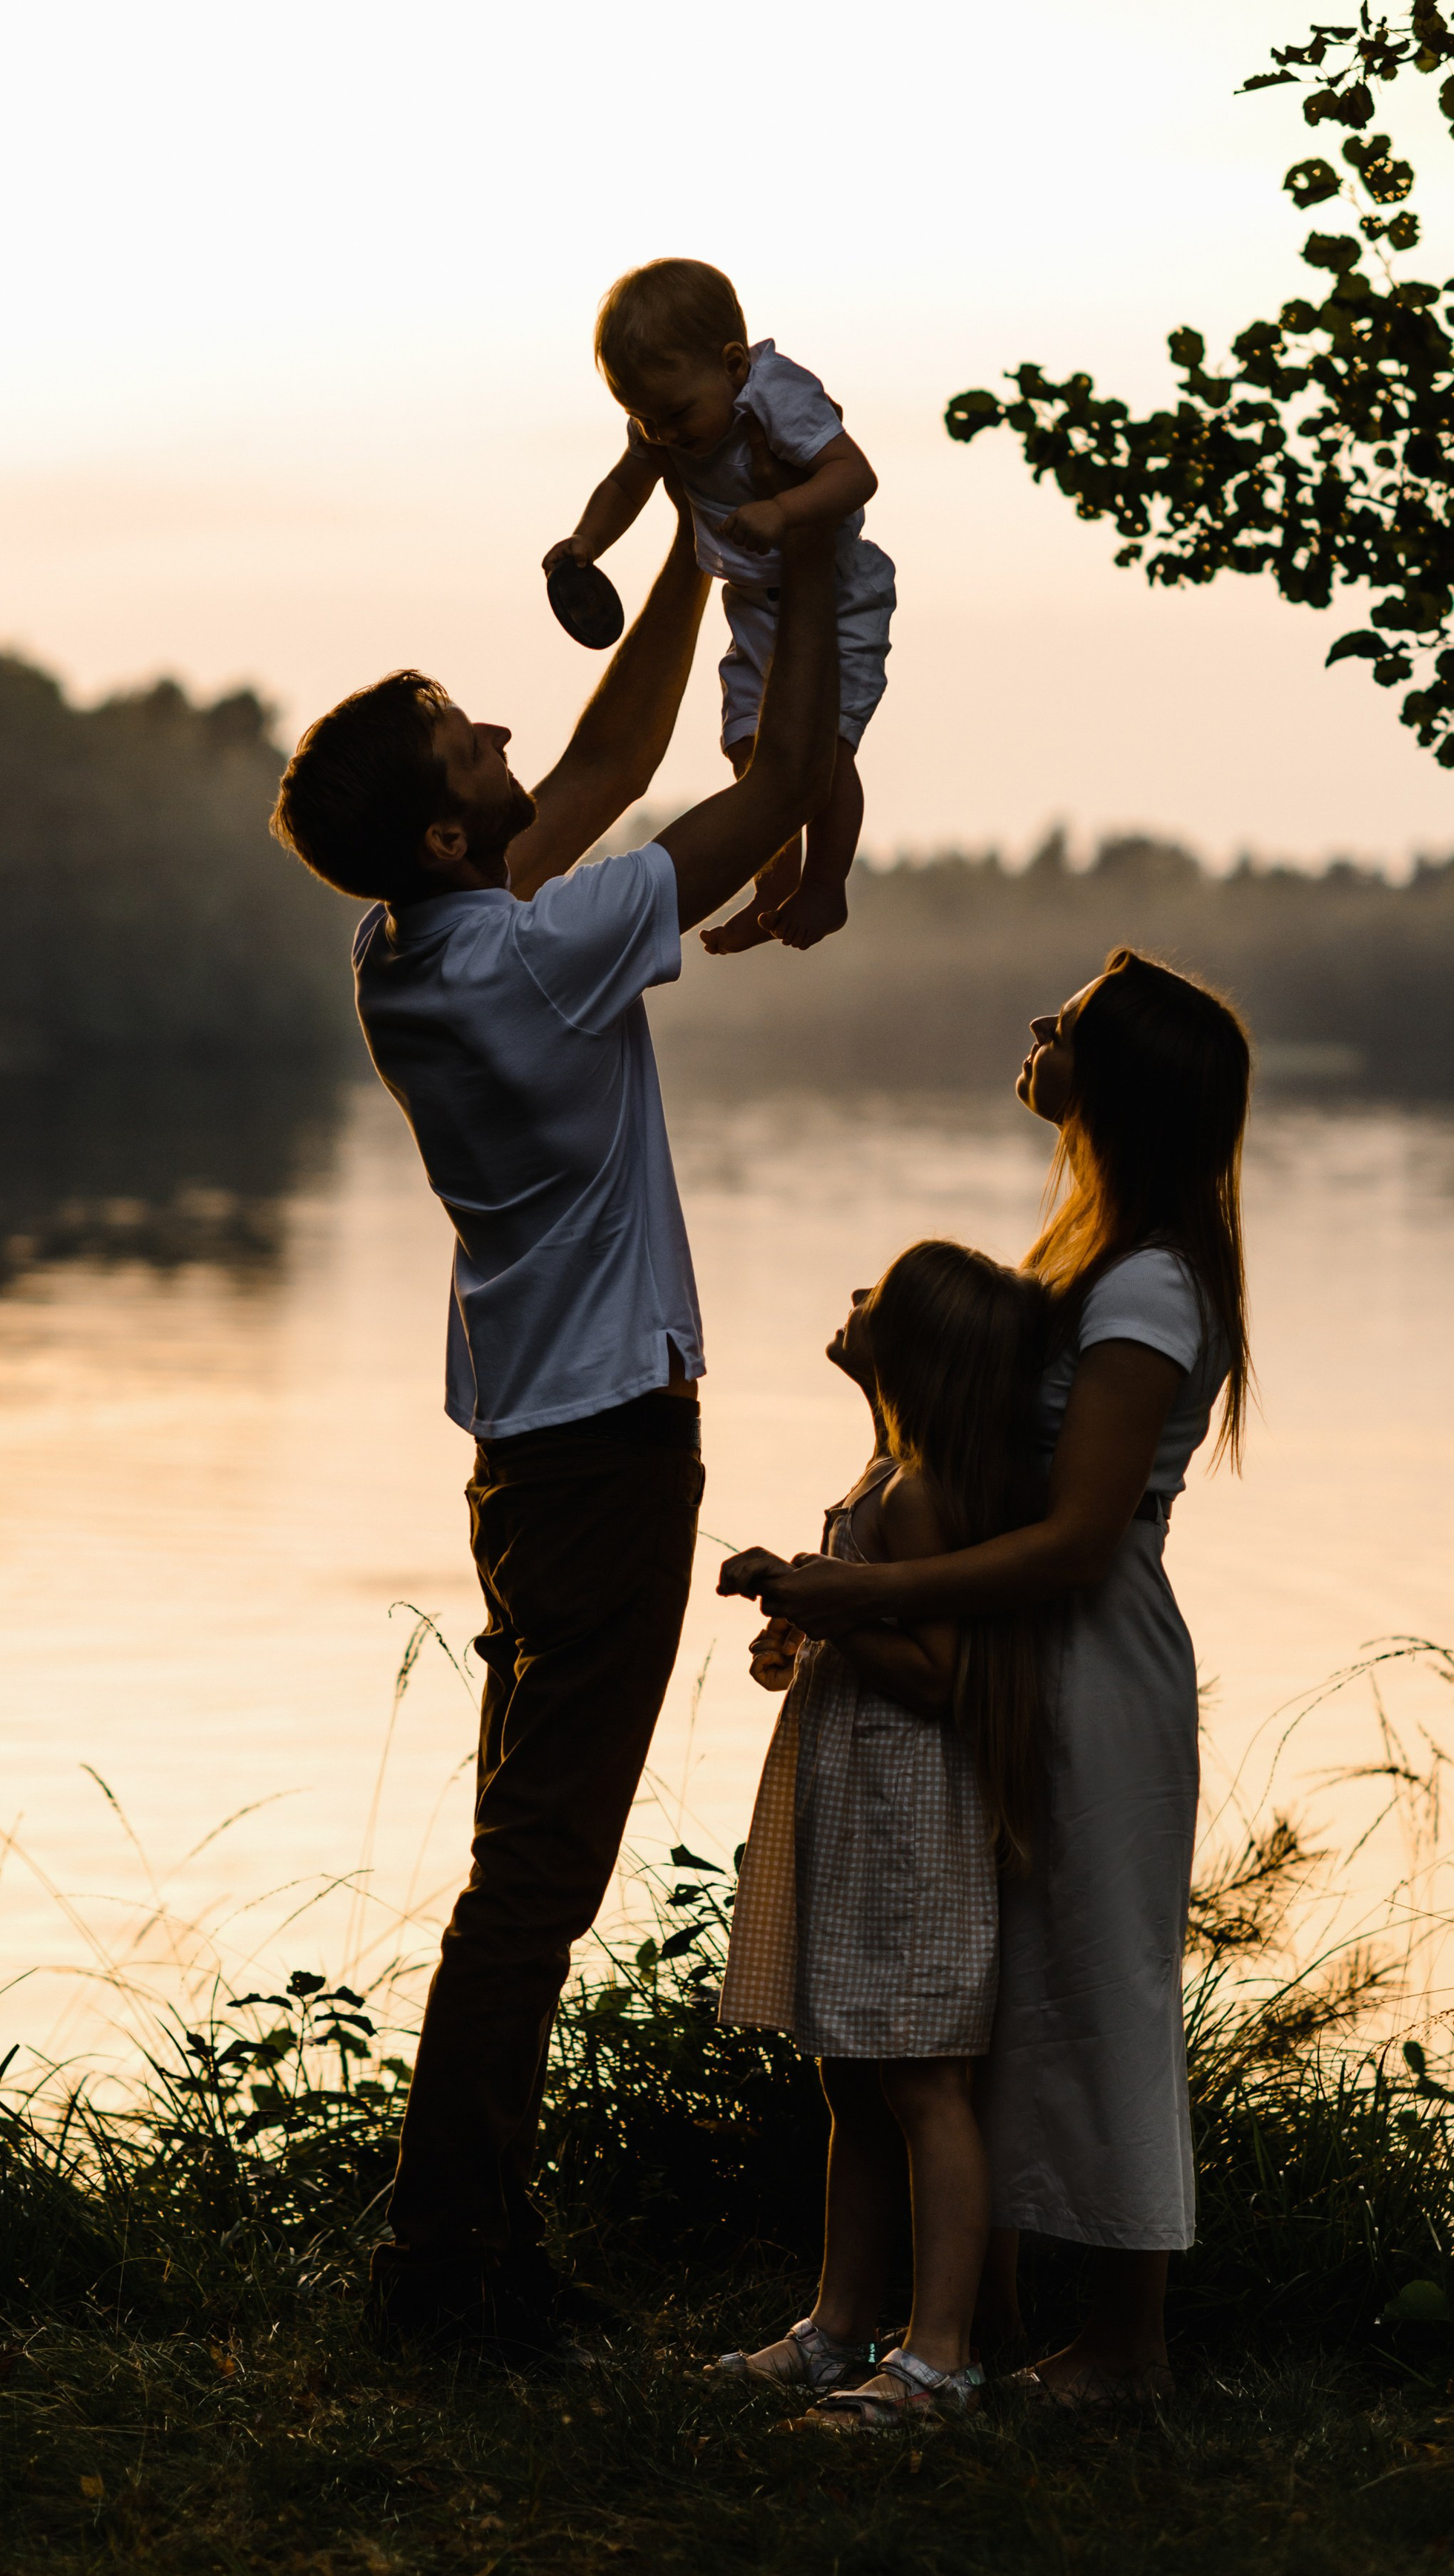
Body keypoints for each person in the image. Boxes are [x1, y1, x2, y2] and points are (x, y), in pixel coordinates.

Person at [268, 497, 845, 2361]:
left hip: (535, 1455)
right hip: (599, 1454)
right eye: (467, 738)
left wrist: (688, 540)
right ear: (449, 827)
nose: (507, 736)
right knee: (538, 1875)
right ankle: (446, 2270)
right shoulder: (530, 954)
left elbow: (605, 753)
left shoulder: (412, 944)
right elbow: (751, 797)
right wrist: (803, 571)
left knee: (520, 1862)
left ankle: (457, 2248)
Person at [718, 950, 1251, 2405]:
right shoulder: (1091, 1255)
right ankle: (977, 2313)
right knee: (987, 1991)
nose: (1036, 1027)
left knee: (1097, 1986)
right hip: (1018, 1658)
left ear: (1120, 1080)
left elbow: (1074, 1537)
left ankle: (1124, 2344)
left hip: (1087, 1665)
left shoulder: (1144, 1282)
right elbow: (989, 1465)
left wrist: (858, 1590)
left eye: (1066, 1023)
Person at [712, 1242, 1047, 2426]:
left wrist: (829, 1617)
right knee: (855, 2078)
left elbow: (941, 1675)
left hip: (913, 1828)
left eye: (879, 1298)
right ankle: (837, 2328)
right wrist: (798, 1627)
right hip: (863, 1817)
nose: (852, 1300)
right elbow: (875, 1630)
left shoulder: (919, 1496)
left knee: (923, 2084)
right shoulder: (884, 1475)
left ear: (917, 1352)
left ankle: (940, 2353)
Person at [543, 256, 895, 957]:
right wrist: (585, 543)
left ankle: (826, 884)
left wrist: (784, 510)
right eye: (643, 418)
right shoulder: (664, 423)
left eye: (675, 414)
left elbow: (856, 475)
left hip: (839, 596)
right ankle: (772, 877)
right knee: (746, 742)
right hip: (755, 601)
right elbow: (625, 483)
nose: (664, 434)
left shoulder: (778, 397)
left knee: (820, 752)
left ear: (734, 365)